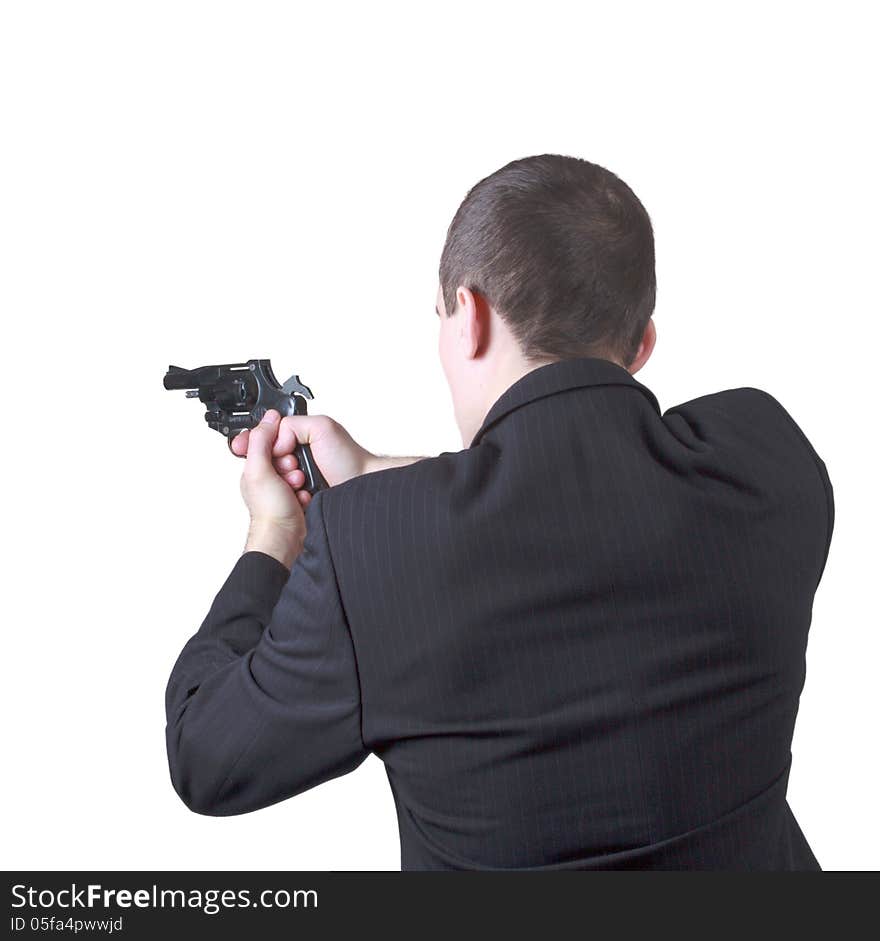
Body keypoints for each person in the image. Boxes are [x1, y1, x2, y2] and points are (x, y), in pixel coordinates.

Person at [164, 154, 833, 870]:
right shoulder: (769, 463)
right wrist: (369, 473)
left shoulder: (369, 554)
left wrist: (275, 532)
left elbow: (209, 757)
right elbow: (585, 484)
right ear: (641, 345)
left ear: (470, 318)